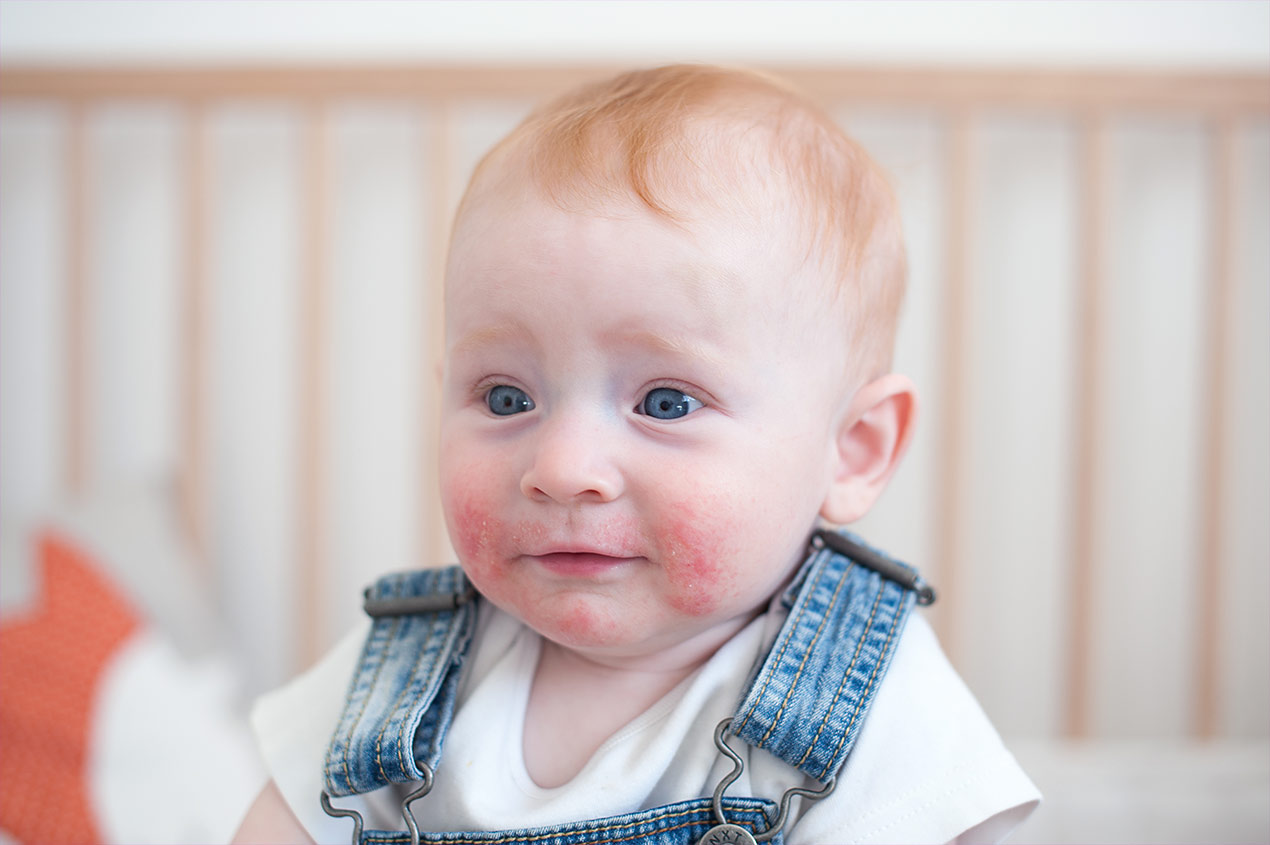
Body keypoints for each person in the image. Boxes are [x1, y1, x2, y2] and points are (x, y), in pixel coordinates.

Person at [232, 64, 1039, 844]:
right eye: (507, 398)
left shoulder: (876, 704)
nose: (563, 465)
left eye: (665, 403)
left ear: (852, 449)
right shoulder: (398, 675)